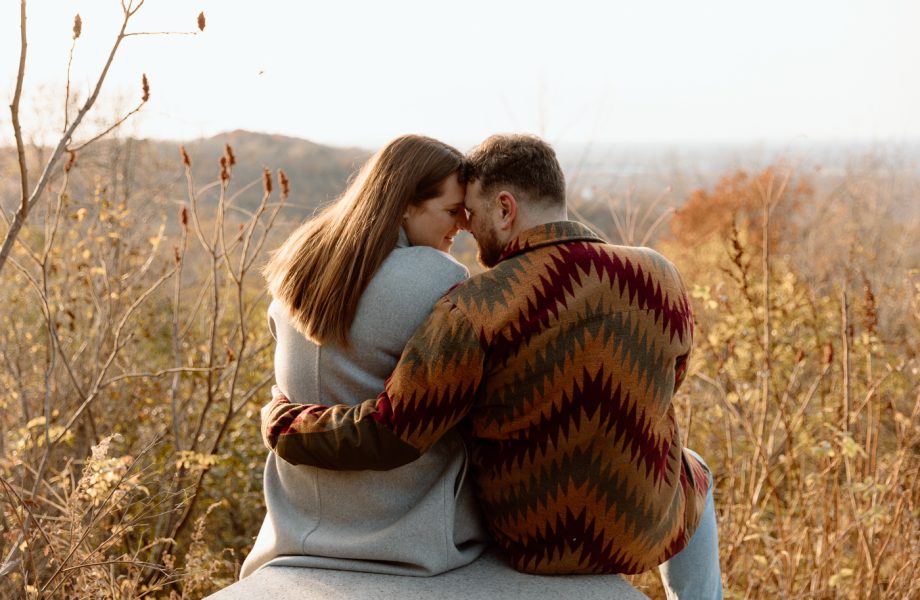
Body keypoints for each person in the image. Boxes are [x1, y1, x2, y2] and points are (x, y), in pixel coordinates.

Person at [261, 134, 723, 598]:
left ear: (505, 208)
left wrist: (286, 424)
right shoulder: (659, 275)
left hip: (532, 538)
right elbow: (668, 382)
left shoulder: (478, 306)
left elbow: (396, 430)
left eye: (474, 215)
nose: (467, 231)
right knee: (694, 467)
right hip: (645, 527)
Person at [240, 135, 488, 578]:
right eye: (453, 211)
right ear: (407, 204)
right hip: (401, 531)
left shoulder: (300, 258)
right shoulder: (438, 277)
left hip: (296, 526)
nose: (464, 225)